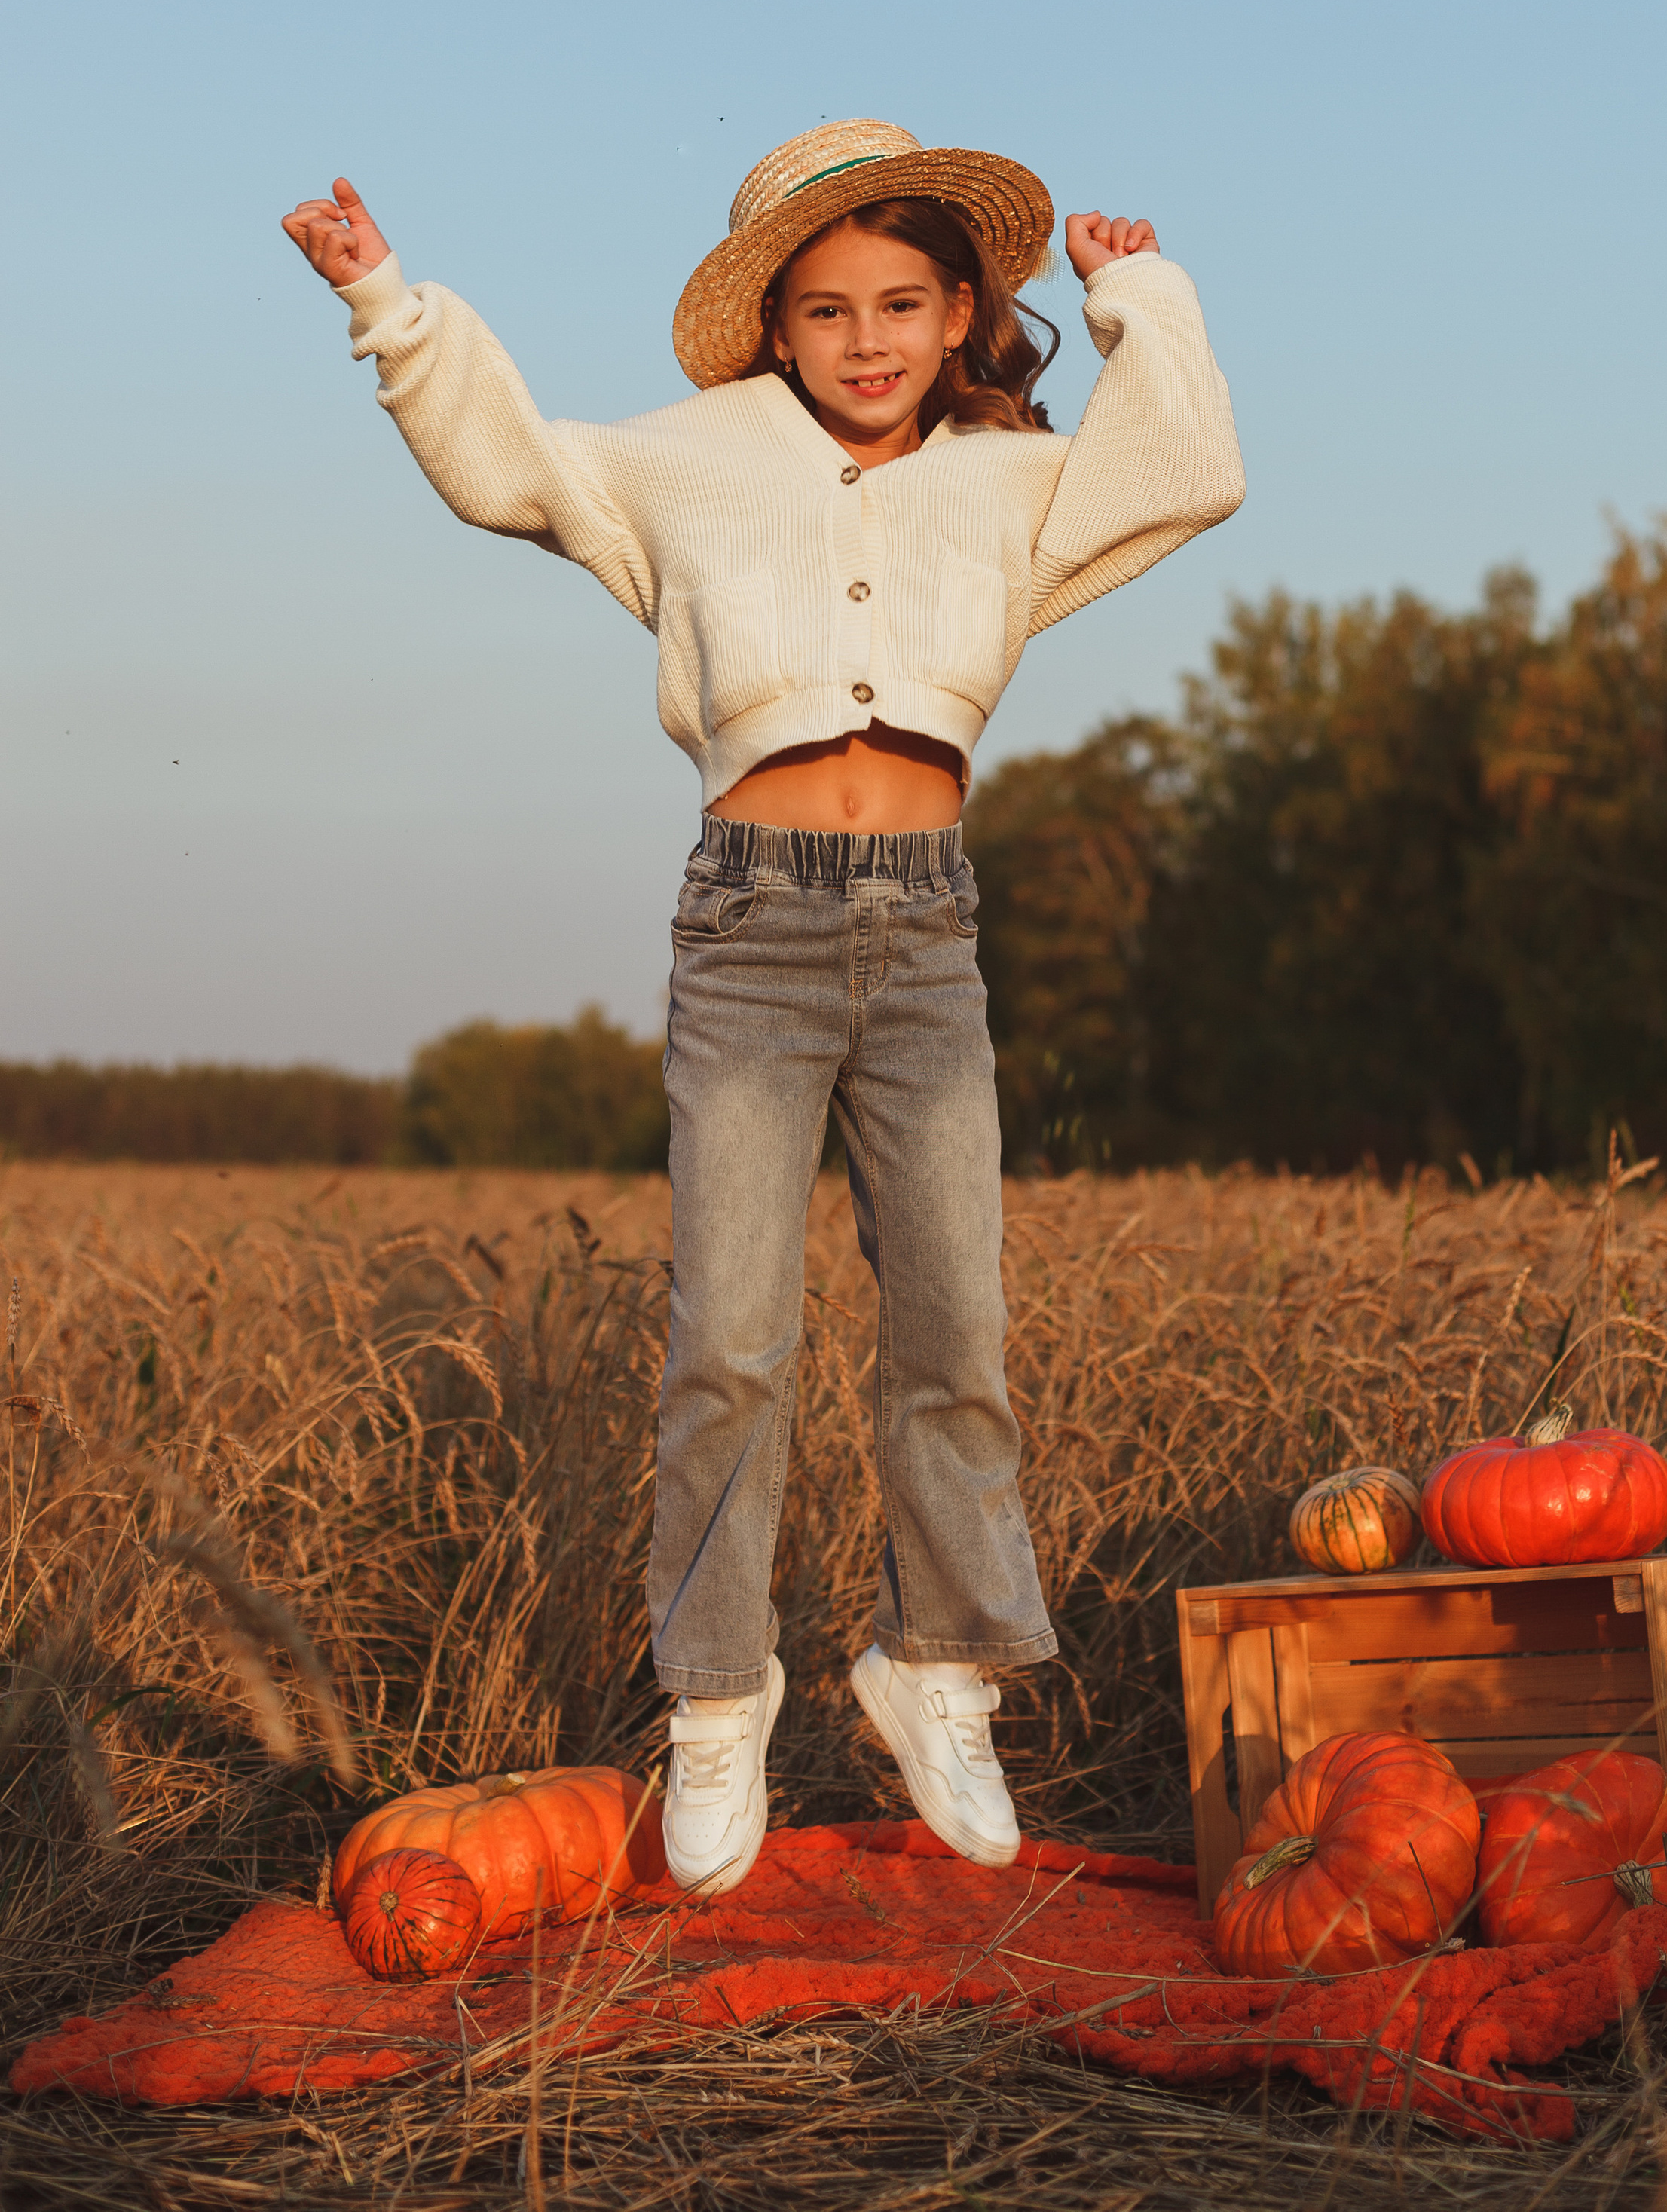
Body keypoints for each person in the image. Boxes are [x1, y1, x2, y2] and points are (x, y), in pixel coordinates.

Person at [283, 118, 1243, 1895]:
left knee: (955, 1328)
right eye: (824, 312)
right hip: (752, 930)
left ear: (962, 312)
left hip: (928, 936)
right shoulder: (695, 462)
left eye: (901, 304)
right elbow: (516, 469)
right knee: (730, 1342)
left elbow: (1189, 470)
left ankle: (934, 1666)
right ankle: (716, 1703)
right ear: (770, 332)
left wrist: (1139, 297)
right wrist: (391, 309)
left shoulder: (1009, 480)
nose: (866, 341)